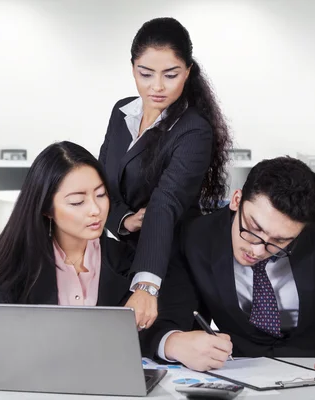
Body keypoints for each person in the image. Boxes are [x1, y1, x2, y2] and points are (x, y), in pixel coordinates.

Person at [146, 156, 315, 384]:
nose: (256, 250)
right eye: (253, 229)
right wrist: (175, 343)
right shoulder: (196, 237)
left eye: (279, 242)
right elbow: (169, 318)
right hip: (241, 377)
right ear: (236, 200)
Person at [0, 141, 173, 359]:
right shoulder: (17, 259)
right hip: (37, 382)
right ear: (46, 208)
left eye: (101, 195)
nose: (95, 210)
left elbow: (150, 333)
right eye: (77, 202)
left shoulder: (127, 261)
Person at [99, 17, 231, 331]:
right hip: (121, 258)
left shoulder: (193, 130)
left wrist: (146, 285)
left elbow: (165, 202)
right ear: (133, 68)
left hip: (170, 266)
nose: (156, 87)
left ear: (187, 72)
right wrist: (124, 220)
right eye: (146, 74)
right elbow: (102, 183)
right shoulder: (122, 113)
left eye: (170, 75)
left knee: (168, 354)